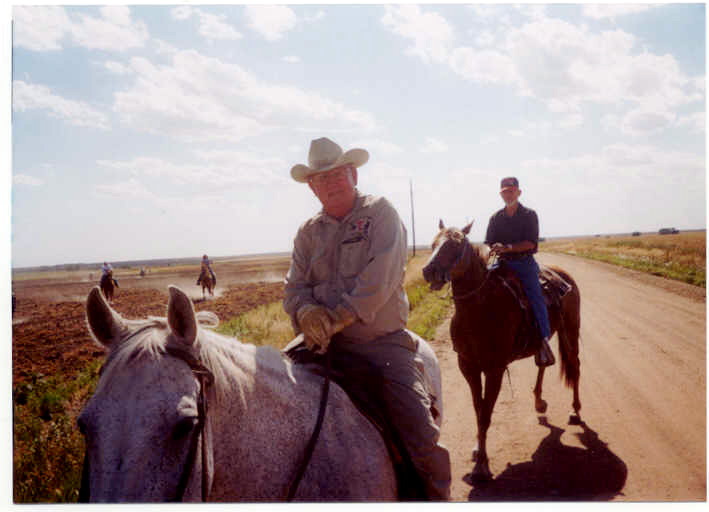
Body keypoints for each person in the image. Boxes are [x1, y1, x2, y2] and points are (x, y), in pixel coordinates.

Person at [283, 137, 451, 500]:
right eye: (320, 178)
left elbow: (381, 279)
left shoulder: (380, 214)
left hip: (380, 345)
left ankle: (435, 497)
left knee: (418, 431)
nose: (329, 183)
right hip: (316, 343)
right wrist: (305, 311)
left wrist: (338, 318)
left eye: (337, 174)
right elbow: (294, 287)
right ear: (312, 187)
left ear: (353, 174)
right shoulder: (307, 233)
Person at [484, 176, 554, 367]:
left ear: (518, 192)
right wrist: (492, 249)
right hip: (501, 264)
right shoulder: (495, 218)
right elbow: (488, 242)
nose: (508, 194)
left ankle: (543, 342)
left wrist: (507, 247)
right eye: (505, 192)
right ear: (501, 194)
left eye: (511, 191)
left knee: (536, 296)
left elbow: (531, 242)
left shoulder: (529, 215)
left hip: (524, 264)